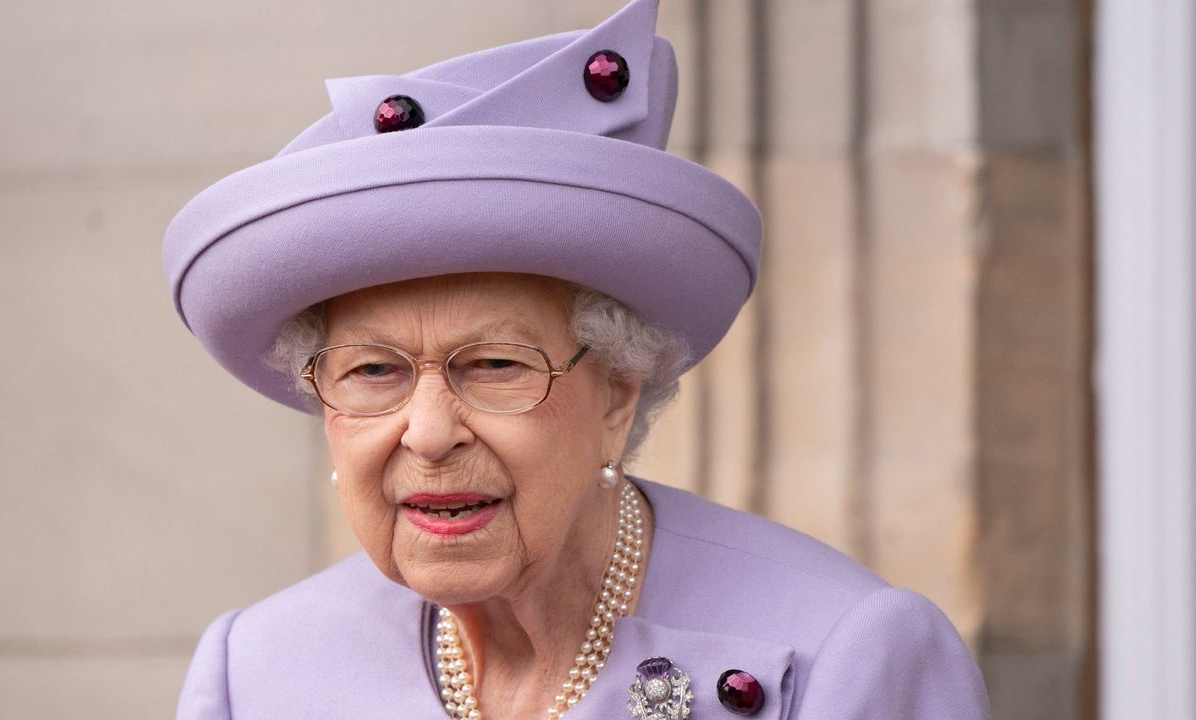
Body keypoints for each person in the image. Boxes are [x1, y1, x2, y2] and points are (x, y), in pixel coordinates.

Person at [163, 1, 990, 718]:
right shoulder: (258, 669)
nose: (428, 433)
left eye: (494, 365)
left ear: (617, 397)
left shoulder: (844, 651)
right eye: (372, 372)